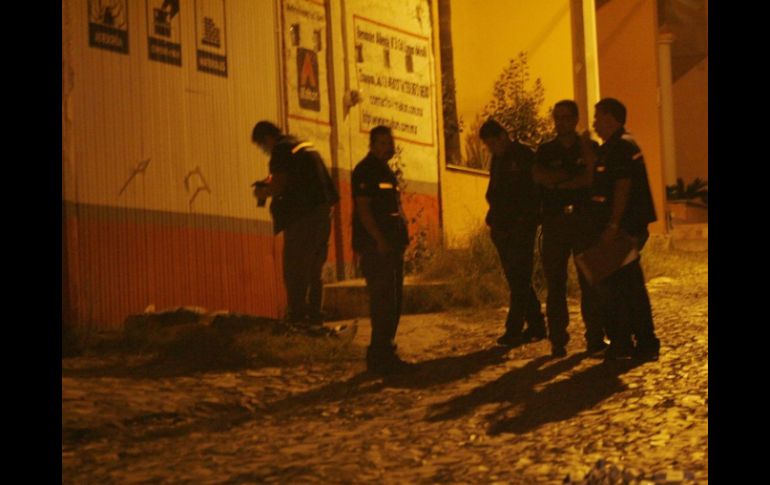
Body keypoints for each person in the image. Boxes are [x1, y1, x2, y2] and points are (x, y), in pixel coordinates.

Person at [584, 98, 661, 361]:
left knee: (627, 288)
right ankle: (625, 342)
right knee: (618, 287)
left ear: (611, 118)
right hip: (618, 228)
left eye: (598, 116)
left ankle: (643, 343)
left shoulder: (622, 146)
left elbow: (622, 187)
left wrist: (613, 225)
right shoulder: (612, 148)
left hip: (624, 229)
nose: (594, 122)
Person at [533, 100, 607, 358]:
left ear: (575, 119)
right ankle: (558, 340)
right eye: (557, 117)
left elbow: (591, 178)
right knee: (555, 284)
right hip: (554, 222)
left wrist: (559, 183)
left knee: (590, 281)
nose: (560, 122)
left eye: (565, 117)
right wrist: (573, 179)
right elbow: (540, 177)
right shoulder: (545, 150)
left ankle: (595, 337)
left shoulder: (588, 147)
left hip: (584, 221)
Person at [251, 121, 340, 326]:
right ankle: (315, 316)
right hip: (322, 214)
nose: (264, 150)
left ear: (267, 138)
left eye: (262, 145)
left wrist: (263, 192)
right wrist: (270, 181)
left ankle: (298, 318)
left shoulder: (281, 150)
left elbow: (279, 185)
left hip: (302, 217)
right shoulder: (300, 144)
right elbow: (296, 177)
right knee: (314, 269)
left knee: (294, 268)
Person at [352, 125, 414, 375]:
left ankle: (387, 352)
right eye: (382, 143)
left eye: (389, 143)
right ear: (372, 145)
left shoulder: (385, 171)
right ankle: (378, 357)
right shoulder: (365, 170)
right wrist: (378, 239)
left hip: (392, 245)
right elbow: (364, 210)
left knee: (394, 301)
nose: (387, 147)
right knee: (383, 302)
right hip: (376, 247)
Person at [479, 119, 547, 348]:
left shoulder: (525, 155)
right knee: (517, 278)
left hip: (521, 226)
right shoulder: (498, 159)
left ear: (503, 136)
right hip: (502, 226)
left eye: (492, 143)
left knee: (519, 279)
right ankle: (536, 324)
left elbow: (535, 191)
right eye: (488, 145)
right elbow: (494, 190)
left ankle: (514, 330)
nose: (491, 149)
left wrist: (527, 219)